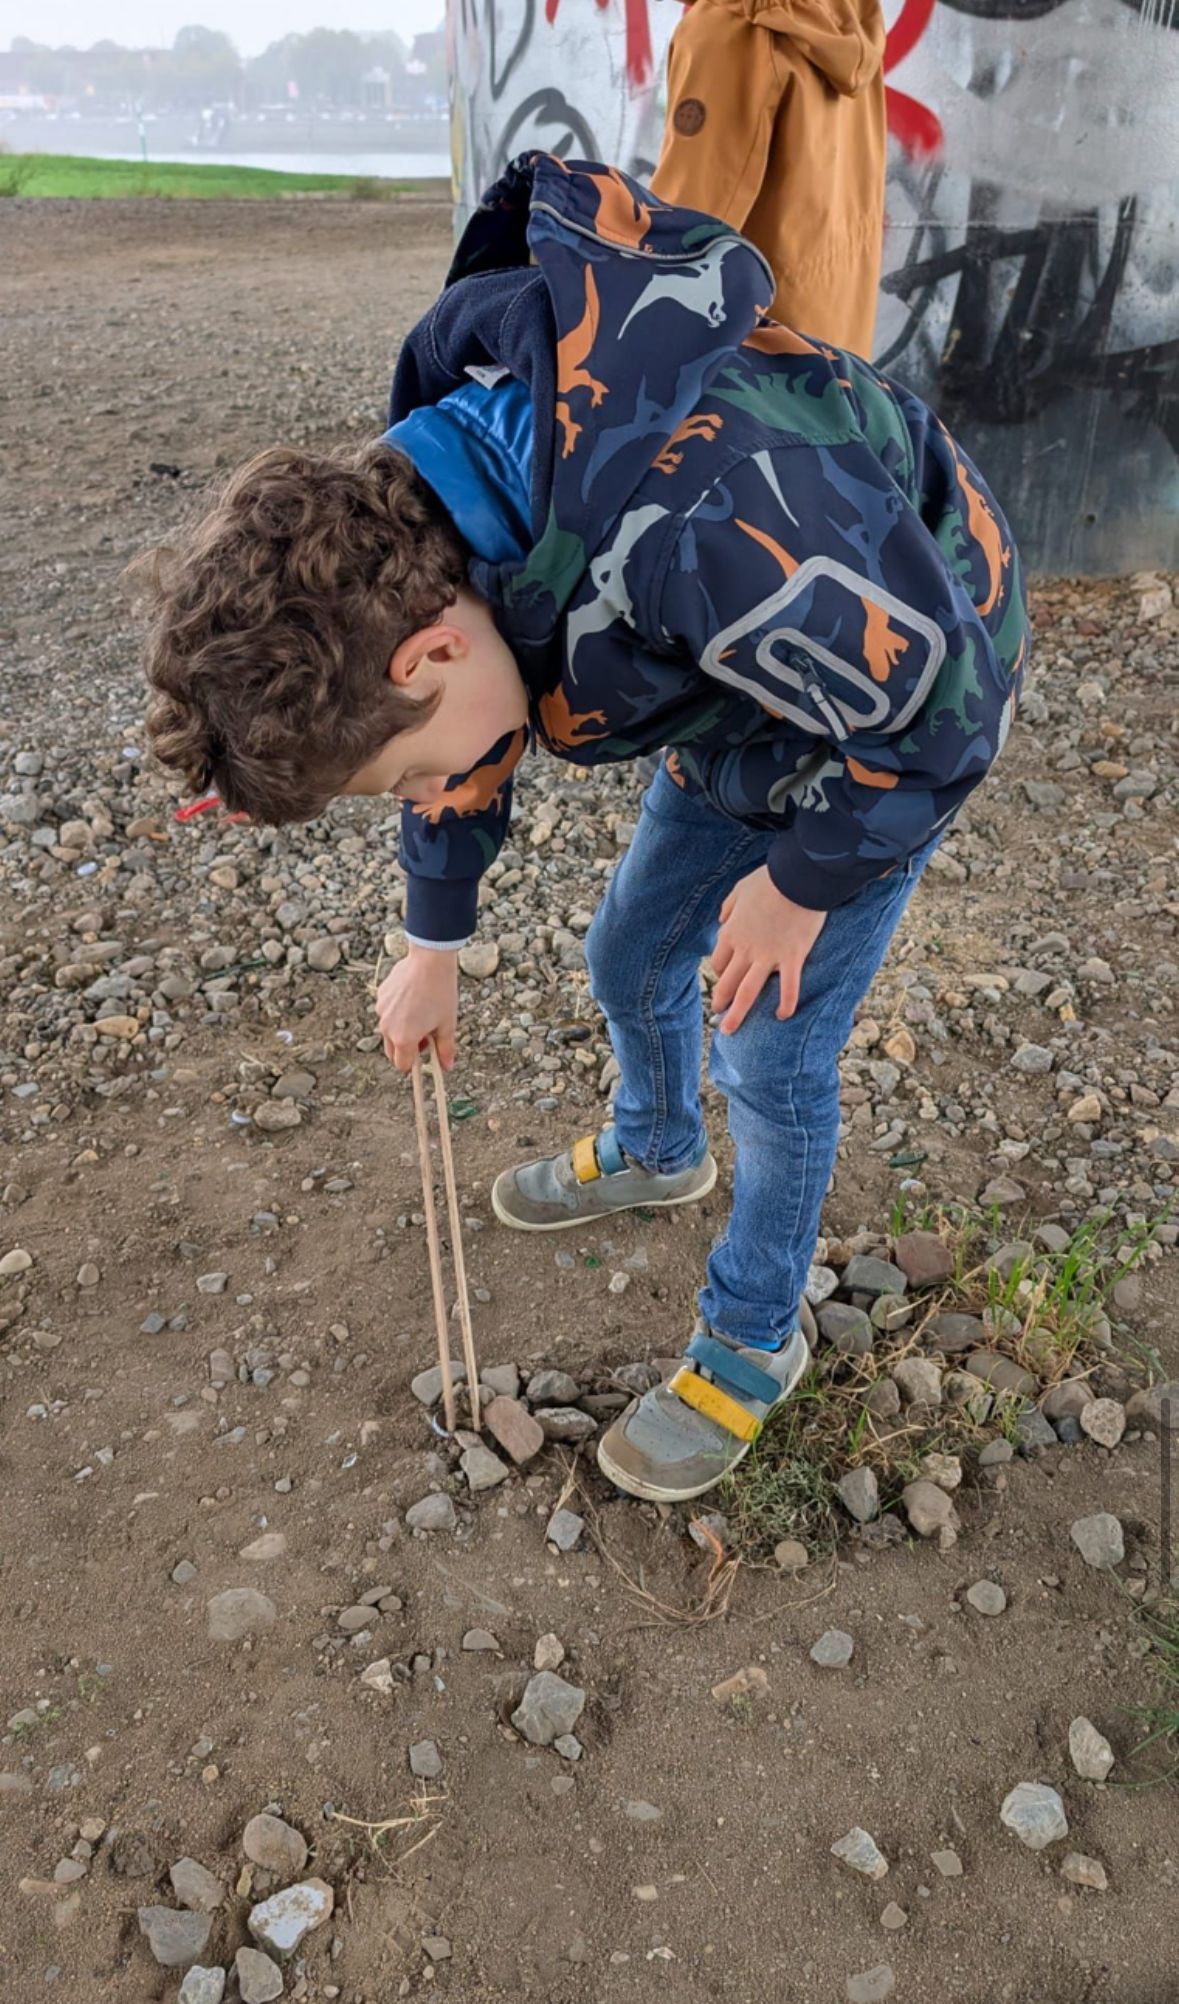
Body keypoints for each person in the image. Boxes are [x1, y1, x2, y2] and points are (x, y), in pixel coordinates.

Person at [141, 154, 1028, 1506]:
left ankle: (754, 1332)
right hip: (729, 683)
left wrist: (799, 882)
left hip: (895, 707)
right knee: (630, 952)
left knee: (769, 1043)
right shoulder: (437, 536)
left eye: (405, 776)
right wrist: (431, 942)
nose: (427, 795)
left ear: (430, 655)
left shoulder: (704, 523)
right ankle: (660, 1149)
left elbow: (942, 716)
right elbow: (464, 740)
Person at [651, 0, 886, 355]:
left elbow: (687, 231)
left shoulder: (733, 30)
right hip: (830, 354)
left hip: (748, 361)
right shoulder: (847, 14)